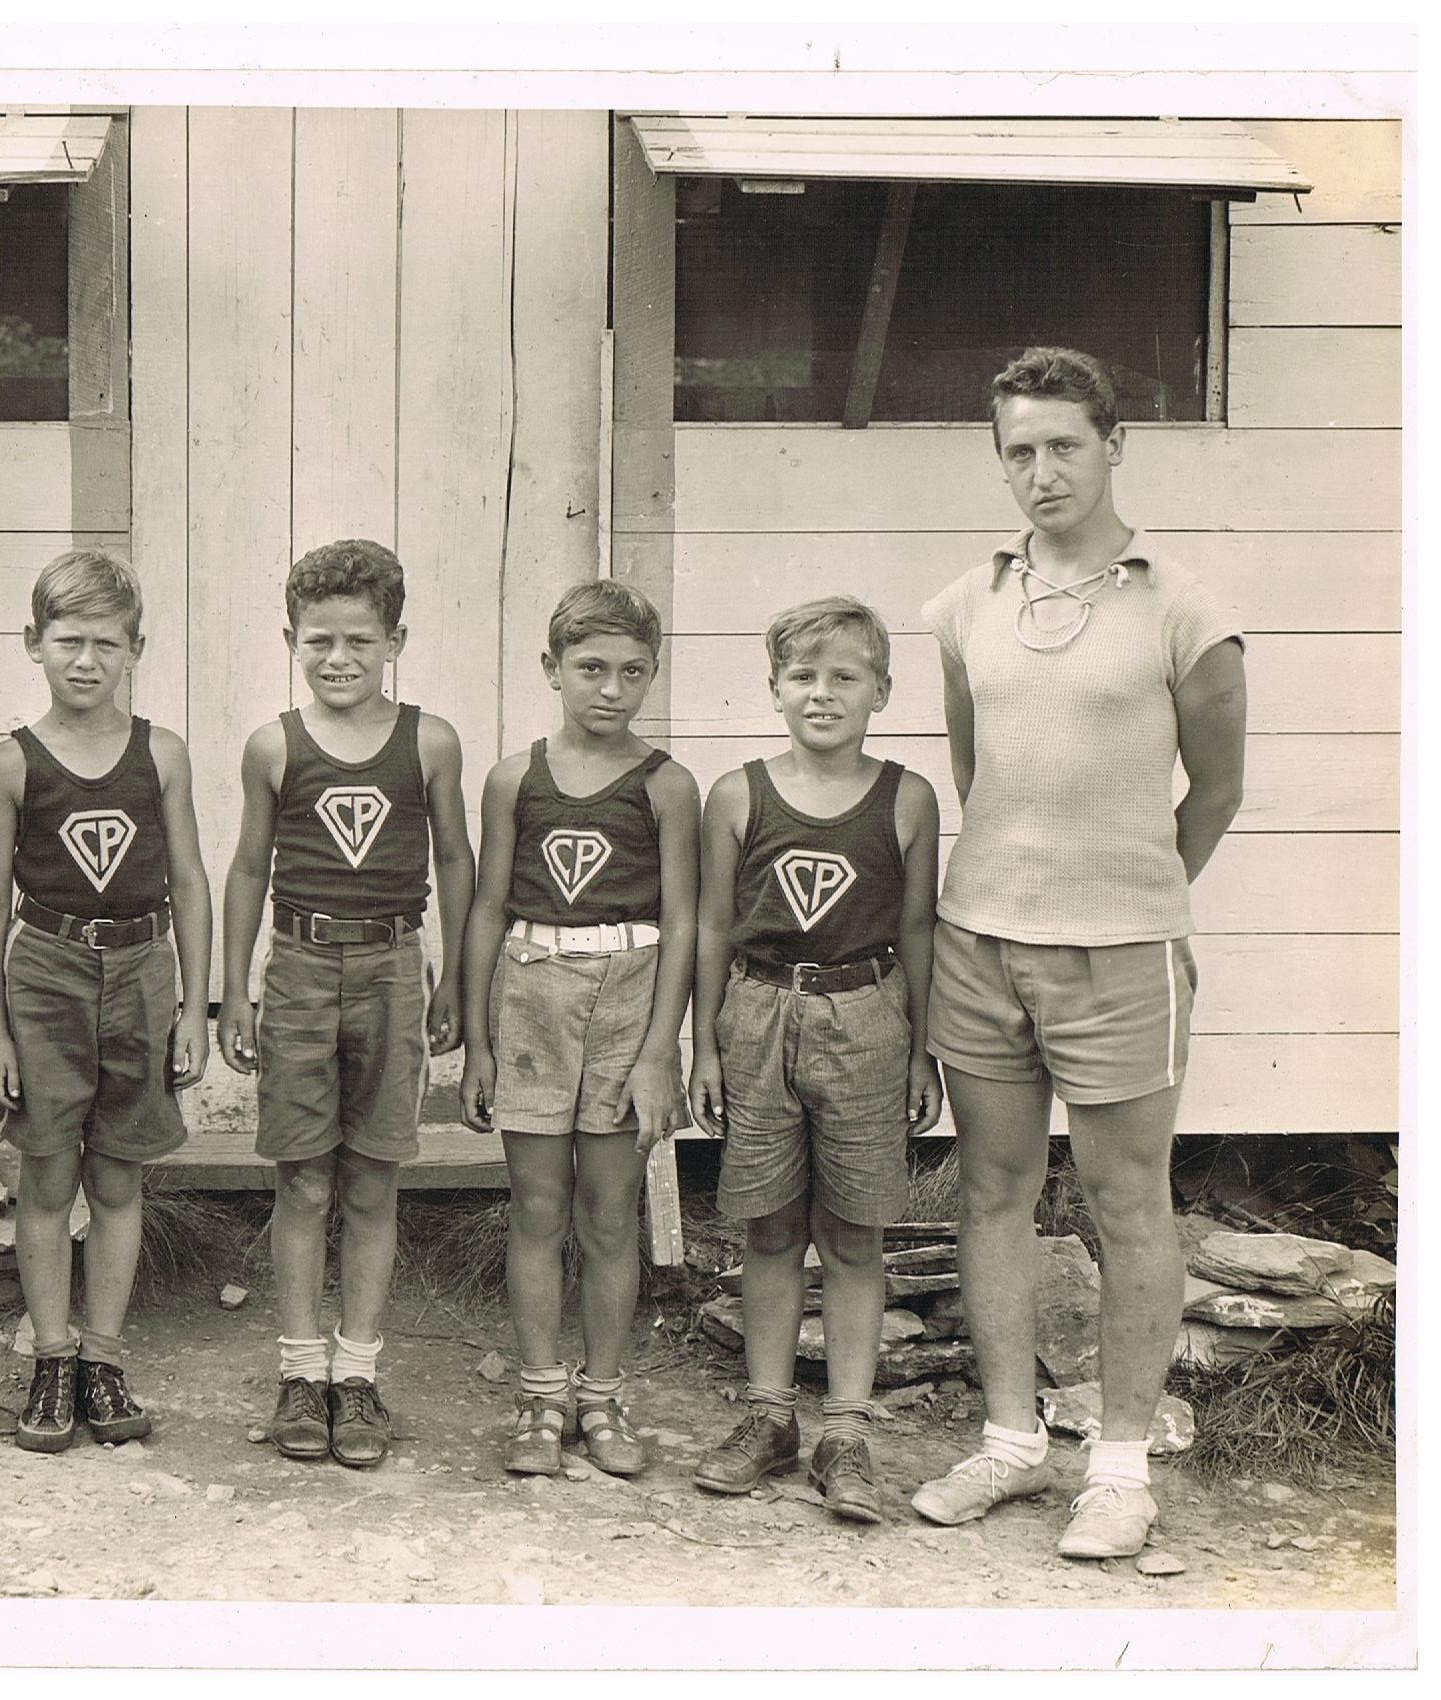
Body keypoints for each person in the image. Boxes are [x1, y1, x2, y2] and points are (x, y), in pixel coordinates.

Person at [911, 347, 1248, 1560]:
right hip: (981, 942)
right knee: (992, 1191)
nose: (1041, 470)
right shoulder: (966, 605)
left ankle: (1117, 1471)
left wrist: (1127, 897)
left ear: (1113, 444)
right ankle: (1008, 1442)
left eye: (1063, 444)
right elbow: (979, 772)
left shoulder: (1185, 610)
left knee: (1125, 1201)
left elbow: (1216, 788)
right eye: (1019, 450)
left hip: (1121, 955)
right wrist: (1021, 889)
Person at [217, 539, 476, 1468]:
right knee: (303, 1178)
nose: (338, 659)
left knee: (372, 1178)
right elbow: (248, 869)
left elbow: (457, 862)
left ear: (394, 642)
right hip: (298, 965)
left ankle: (357, 1373)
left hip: (394, 967)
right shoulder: (274, 746)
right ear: (291, 640)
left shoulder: (429, 742)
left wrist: (456, 979)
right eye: (318, 640)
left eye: (360, 641)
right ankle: (300, 1370)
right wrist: (234, 991)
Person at [686, 596, 943, 1524]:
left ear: (882, 690)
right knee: (767, 1225)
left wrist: (923, 1050)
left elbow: (919, 930)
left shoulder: (907, 798)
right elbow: (713, 924)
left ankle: (846, 1430)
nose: (823, 694)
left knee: (855, 1232)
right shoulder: (737, 794)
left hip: (866, 1015)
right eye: (803, 676)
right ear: (774, 689)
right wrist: (705, 1042)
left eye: (845, 677)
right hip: (758, 1011)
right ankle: (769, 1416)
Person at [0, 550, 214, 1452]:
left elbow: (189, 880)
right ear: (33, 643)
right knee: (46, 1175)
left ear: (135, 649)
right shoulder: (11, 764)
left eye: (106, 644)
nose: (86, 661)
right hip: (46, 972)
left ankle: (104, 1359)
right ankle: (51, 1356)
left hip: (142, 970)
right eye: (68, 641)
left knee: (117, 1176)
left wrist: (194, 1008)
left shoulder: (162, 753)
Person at [458, 582, 699, 1479]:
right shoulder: (514, 778)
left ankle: (602, 1396)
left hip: (629, 999)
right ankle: (538, 1395)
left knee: (608, 1213)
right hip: (532, 997)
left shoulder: (667, 785)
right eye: (592, 668)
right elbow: (488, 909)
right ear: (551, 668)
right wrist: (479, 1042)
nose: (612, 689)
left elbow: (684, 921)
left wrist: (660, 1050)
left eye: (633, 672)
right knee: (536, 1206)